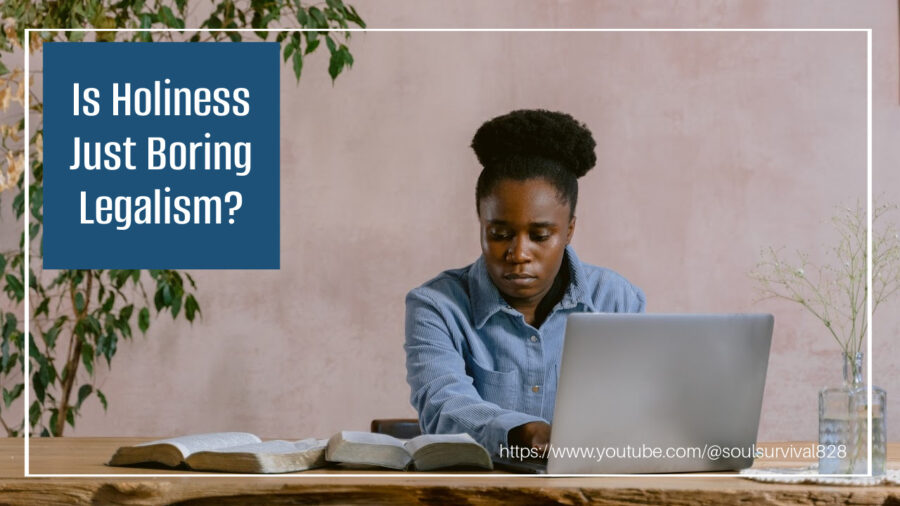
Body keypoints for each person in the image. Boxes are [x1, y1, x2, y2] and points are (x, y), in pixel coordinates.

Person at [404, 109, 645, 456]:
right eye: (500, 234)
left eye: (540, 235)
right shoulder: (436, 305)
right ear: (481, 224)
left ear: (569, 231)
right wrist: (523, 433)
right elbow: (441, 405)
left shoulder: (617, 300)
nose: (518, 253)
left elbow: (638, 406)